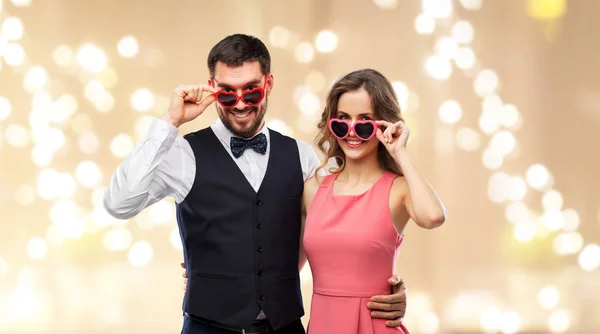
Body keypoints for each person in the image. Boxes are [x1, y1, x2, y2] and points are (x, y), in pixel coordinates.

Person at [103, 34, 407, 334]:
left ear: (268, 84)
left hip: (285, 327)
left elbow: (352, 231)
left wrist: (383, 288)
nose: (239, 104)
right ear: (212, 88)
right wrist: (169, 121)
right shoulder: (183, 153)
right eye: (227, 92)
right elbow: (118, 204)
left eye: (251, 92)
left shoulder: (303, 158)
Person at [301, 69, 447, 333]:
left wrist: (400, 153)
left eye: (365, 121)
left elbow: (433, 217)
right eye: (342, 120)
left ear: (383, 124)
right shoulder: (312, 189)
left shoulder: (398, 188)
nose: (352, 131)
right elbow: (285, 269)